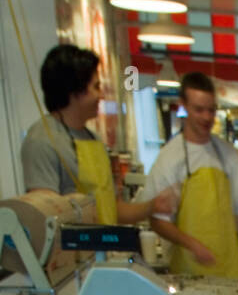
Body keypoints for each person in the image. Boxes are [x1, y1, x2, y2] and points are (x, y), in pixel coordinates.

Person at [141, 71, 238, 278]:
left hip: (229, 271)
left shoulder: (228, 155)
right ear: (183, 105)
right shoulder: (170, 158)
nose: (207, 117)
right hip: (188, 274)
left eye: (211, 110)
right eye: (199, 110)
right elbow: (157, 220)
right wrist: (192, 245)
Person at [21, 44, 175, 224]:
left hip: (103, 249)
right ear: (75, 90)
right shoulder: (42, 141)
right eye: (96, 86)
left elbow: (112, 210)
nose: (101, 95)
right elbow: (43, 216)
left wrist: (152, 206)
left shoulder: (93, 139)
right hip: (73, 252)